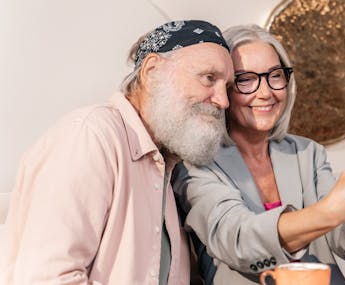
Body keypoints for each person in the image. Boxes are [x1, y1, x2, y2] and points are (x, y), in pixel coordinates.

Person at [0, 20, 234, 285]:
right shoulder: (91, 137)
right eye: (208, 78)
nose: (223, 101)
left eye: (227, 87)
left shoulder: (164, 162)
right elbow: (45, 279)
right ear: (152, 70)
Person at [173, 24, 345, 285]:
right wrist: (332, 210)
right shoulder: (197, 164)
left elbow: (343, 242)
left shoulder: (307, 153)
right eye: (246, 79)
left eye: (275, 75)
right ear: (224, 89)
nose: (266, 92)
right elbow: (237, 241)